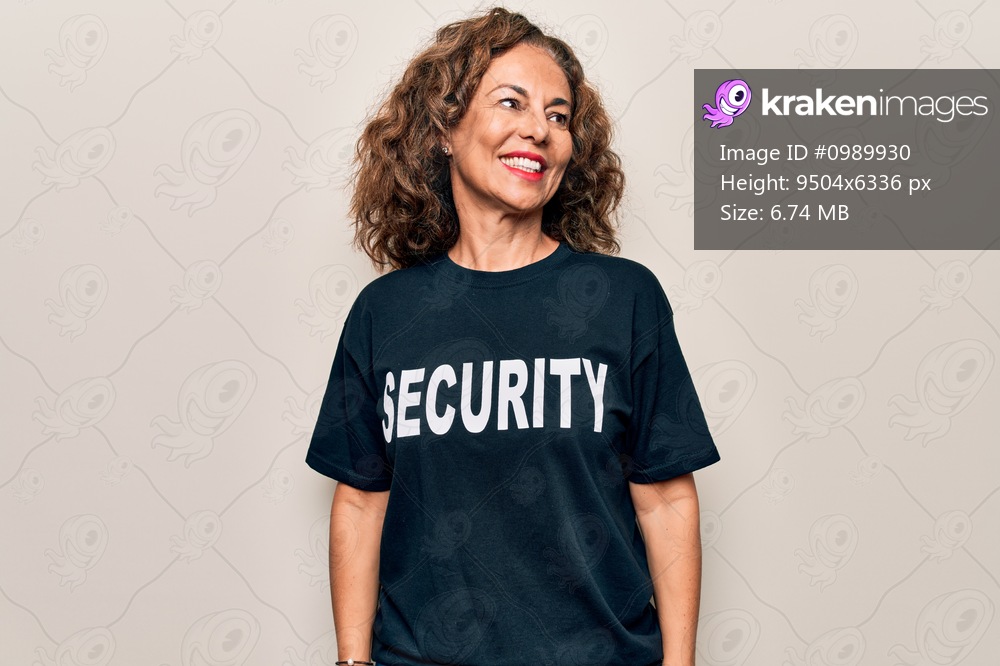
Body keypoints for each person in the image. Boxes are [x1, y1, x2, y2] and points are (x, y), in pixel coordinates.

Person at [305, 7, 721, 666]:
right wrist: (353, 662)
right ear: (445, 128)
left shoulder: (624, 299)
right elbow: (359, 503)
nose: (539, 130)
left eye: (558, 116)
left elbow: (666, 497)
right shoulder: (384, 314)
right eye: (512, 103)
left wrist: (680, 664)